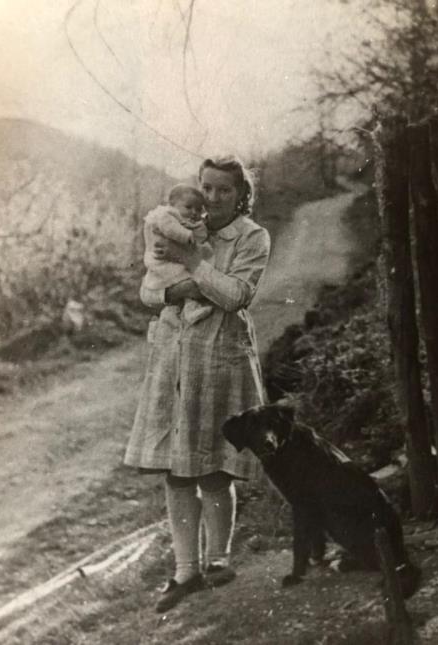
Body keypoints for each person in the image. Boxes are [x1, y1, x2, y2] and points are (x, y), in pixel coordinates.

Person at [124, 155, 271, 613]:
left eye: (223, 190)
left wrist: (193, 265)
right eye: (206, 187)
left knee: (212, 464)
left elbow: (236, 295)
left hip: (220, 357)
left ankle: (218, 561)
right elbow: (148, 289)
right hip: (173, 355)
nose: (211, 198)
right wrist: (175, 289)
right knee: (175, 466)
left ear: (240, 193)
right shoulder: (175, 223)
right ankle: (185, 571)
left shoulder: (252, 237)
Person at [142, 184, 214, 325]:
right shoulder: (166, 215)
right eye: (188, 207)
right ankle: (174, 312)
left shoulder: (190, 222)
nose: (194, 212)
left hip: (176, 260)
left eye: (199, 209)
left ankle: (187, 311)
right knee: (184, 280)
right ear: (172, 205)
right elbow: (169, 228)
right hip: (164, 263)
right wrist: (186, 235)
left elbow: (201, 236)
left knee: (186, 283)